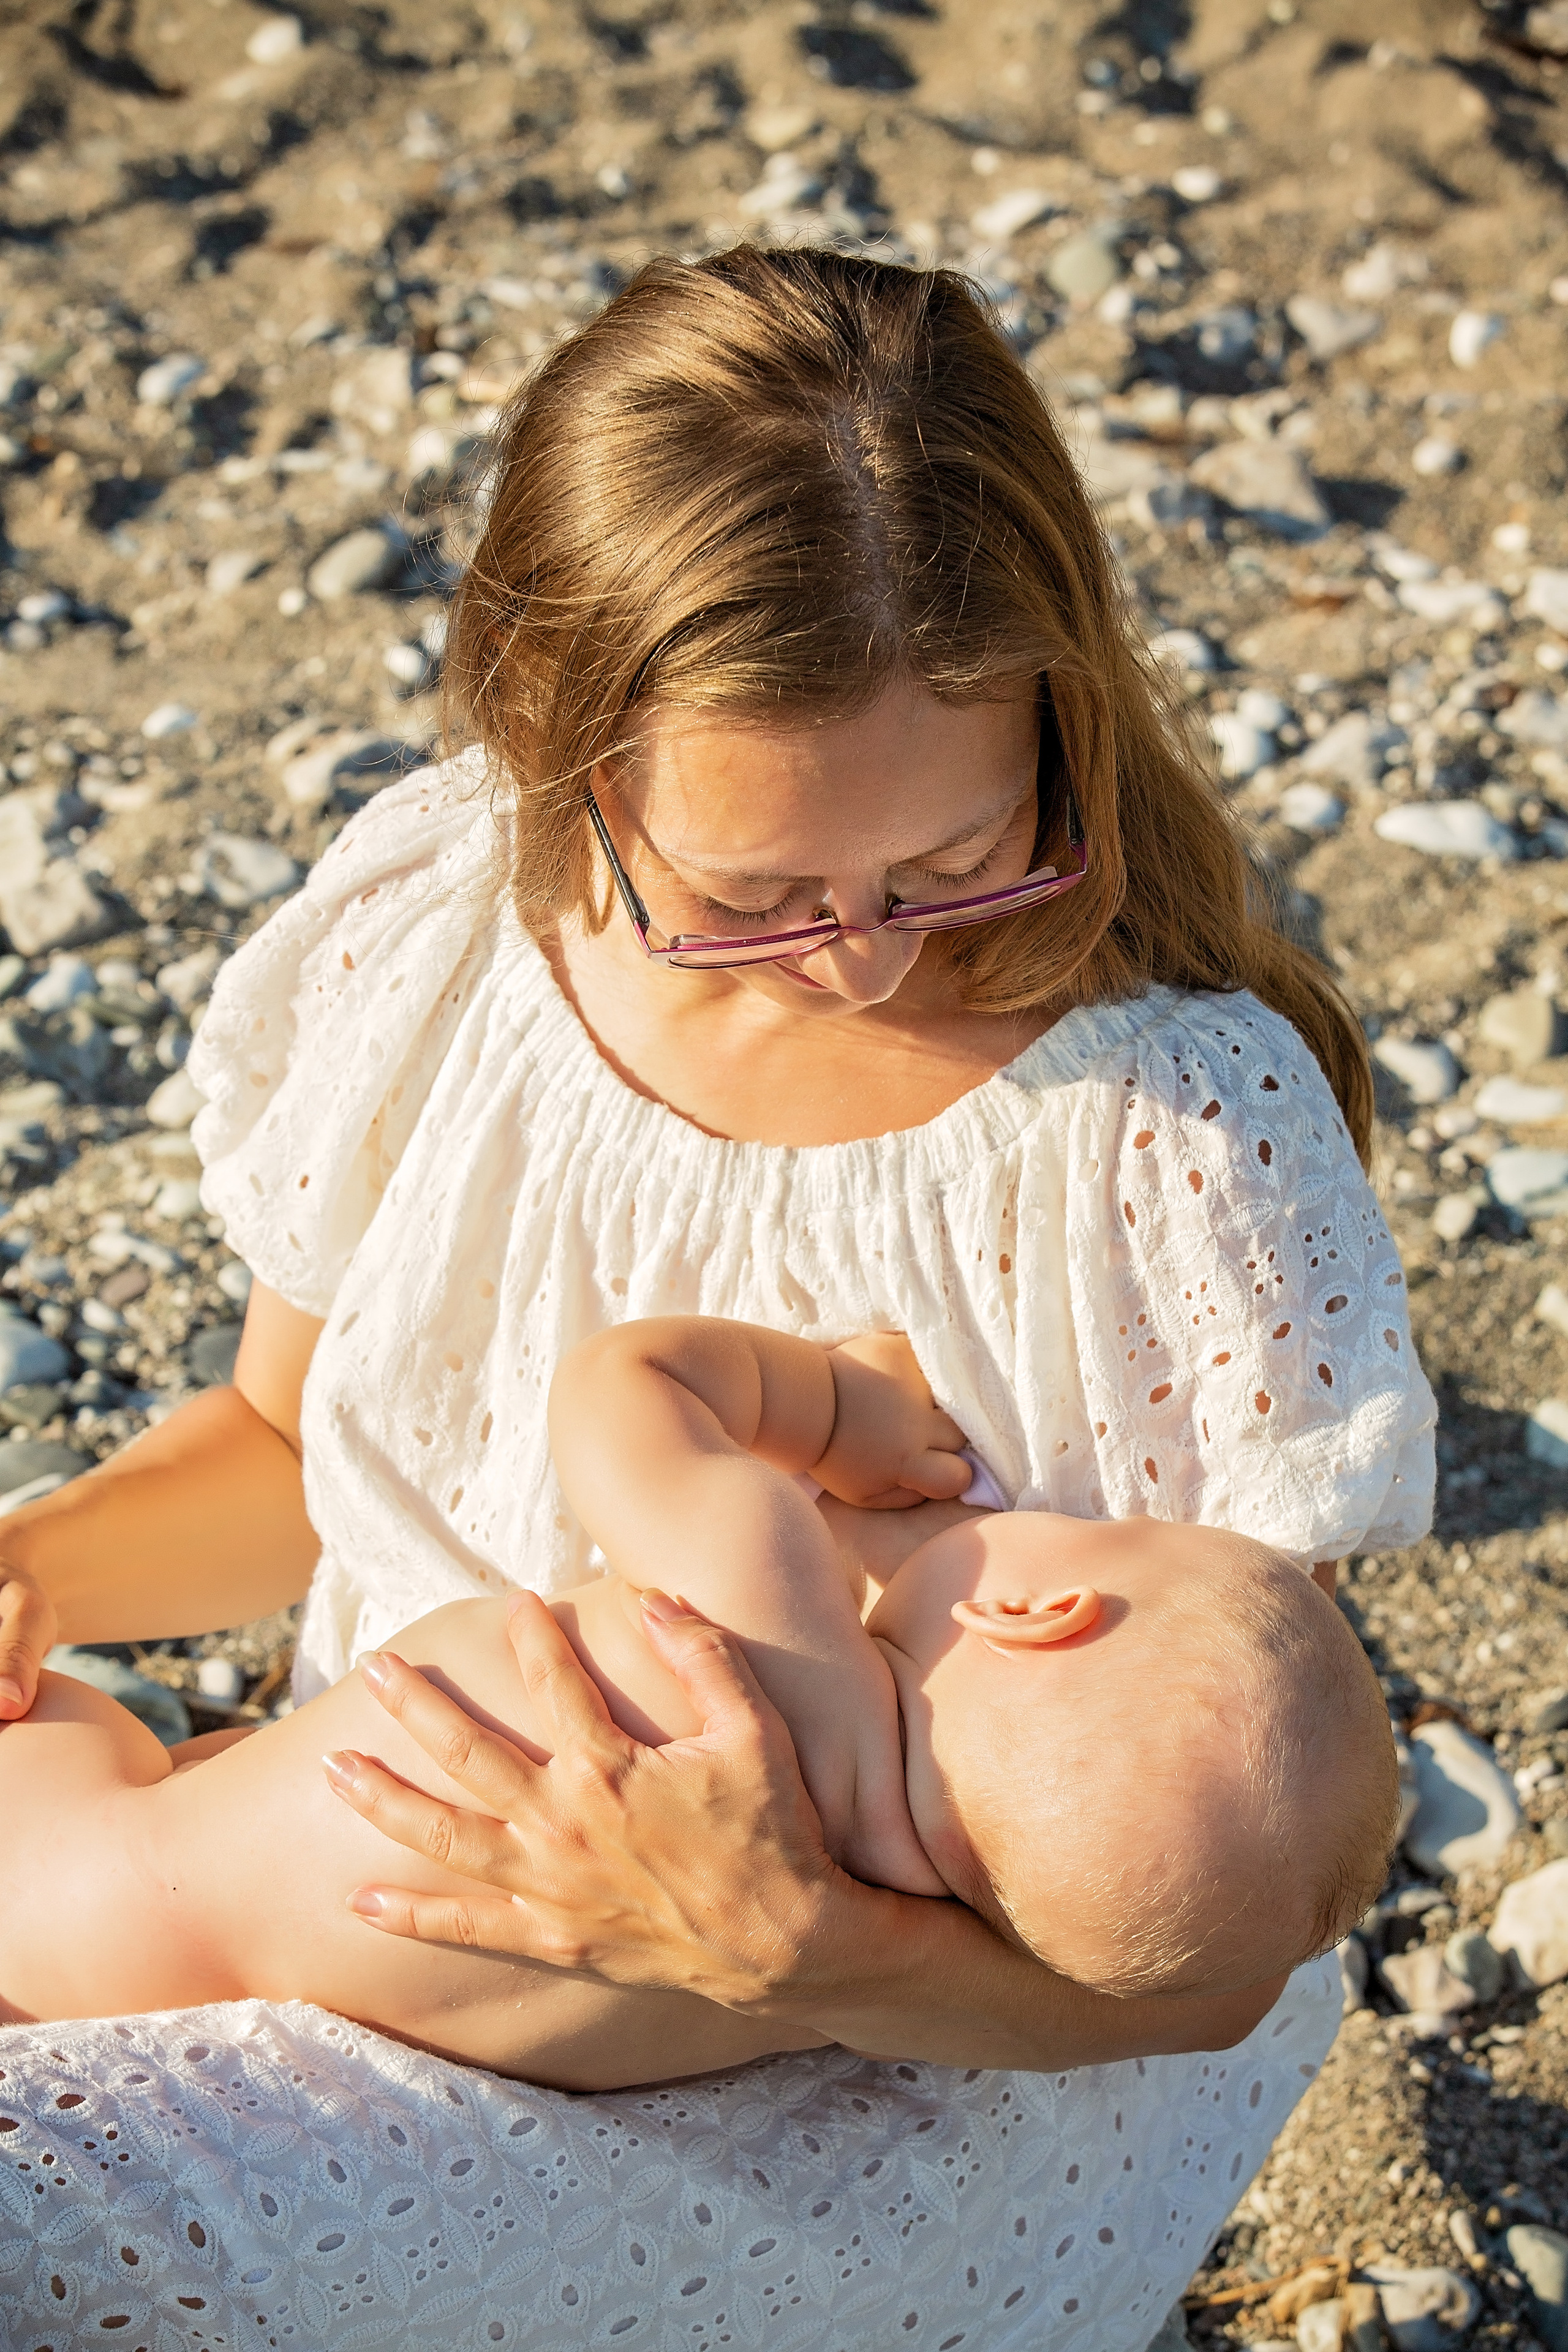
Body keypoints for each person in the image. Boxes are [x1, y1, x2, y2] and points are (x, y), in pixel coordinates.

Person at [0, 244, 1434, 2350]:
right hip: (394, 1908)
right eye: (750, 896)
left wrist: (801, 1951)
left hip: (899, 2075)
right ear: (557, 746)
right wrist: (38, 1568)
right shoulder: (454, 934)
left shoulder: (1169, 1137)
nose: (862, 955)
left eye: (957, 858)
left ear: (1062, 720)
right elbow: (292, 1450)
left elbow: (1206, 1942)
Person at [0, 1319, 1398, 2076]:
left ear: (1036, 1612)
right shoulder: (845, 1962)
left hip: (68, 1863)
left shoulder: (755, 1629)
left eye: (1112, 1528)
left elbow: (626, 1389)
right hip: (217, 2053)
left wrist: (835, 1419)